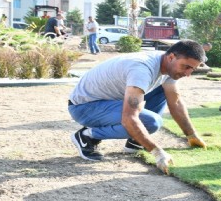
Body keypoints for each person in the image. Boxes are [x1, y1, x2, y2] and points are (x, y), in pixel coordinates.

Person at [68, 40, 209, 174]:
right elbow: (129, 118)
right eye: (186, 67)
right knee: (152, 122)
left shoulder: (168, 66)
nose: (188, 74)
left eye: (193, 69)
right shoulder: (142, 70)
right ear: (171, 57)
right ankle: (87, 136)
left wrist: (191, 135)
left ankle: (135, 140)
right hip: (84, 108)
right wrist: (157, 152)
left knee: (163, 90)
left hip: (109, 102)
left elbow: (175, 102)